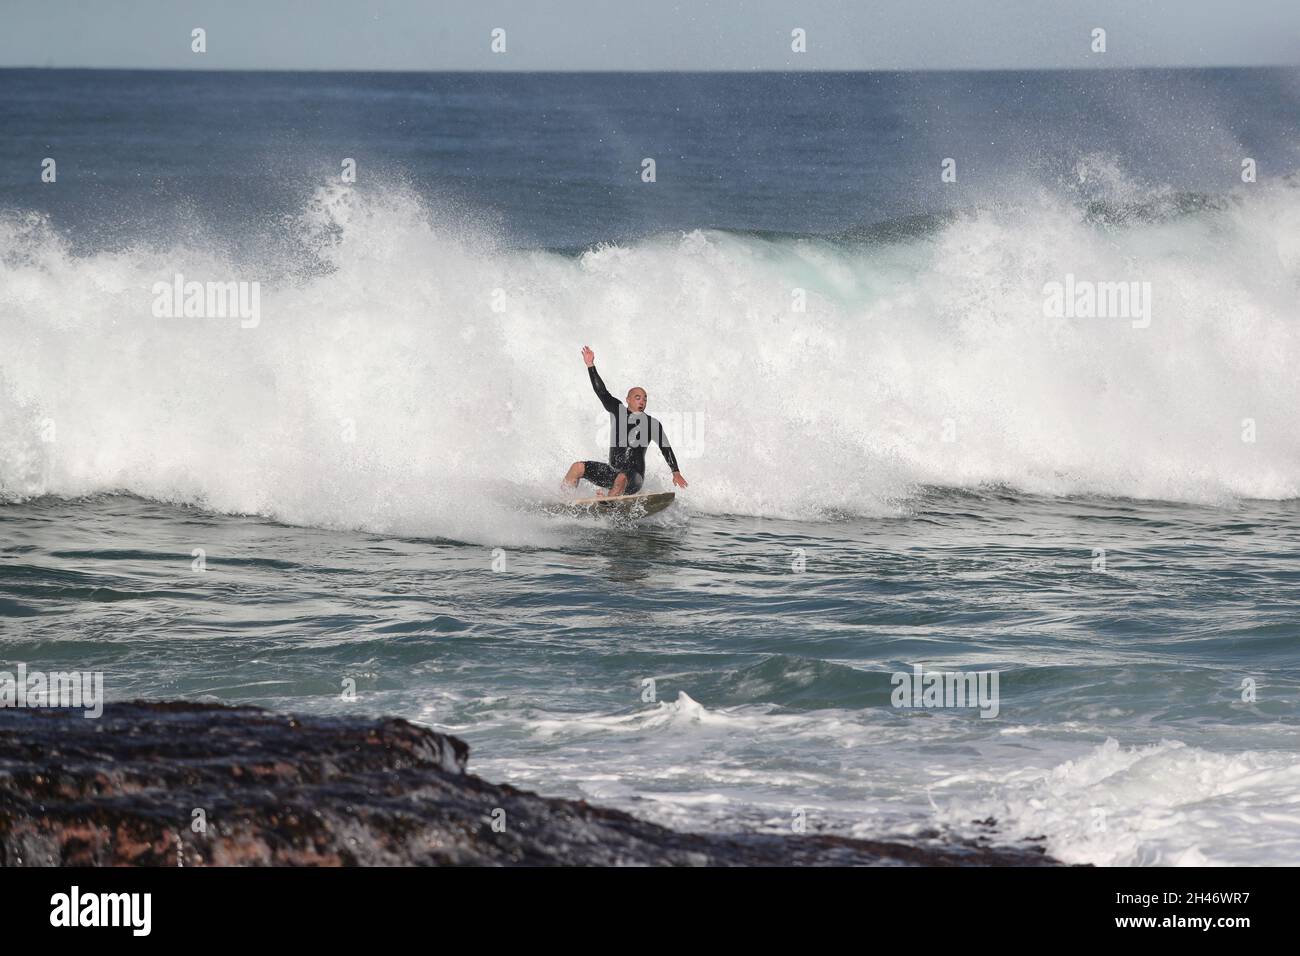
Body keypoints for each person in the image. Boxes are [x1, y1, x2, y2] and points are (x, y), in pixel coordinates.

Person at [562, 346, 689, 497]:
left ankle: (608, 504)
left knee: (622, 477)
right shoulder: (618, 411)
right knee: (577, 467)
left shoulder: (652, 424)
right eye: (638, 397)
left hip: (634, 477)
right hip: (612, 472)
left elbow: (665, 448)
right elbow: (602, 392)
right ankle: (564, 501)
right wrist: (590, 365)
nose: (642, 401)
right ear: (628, 399)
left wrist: (676, 472)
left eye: (645, 398)